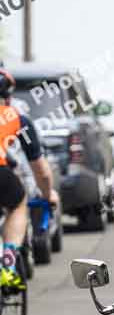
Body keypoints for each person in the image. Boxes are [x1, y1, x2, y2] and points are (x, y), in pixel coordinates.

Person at [0, 68, 59, 288]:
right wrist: (48, 194)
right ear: (8, 95)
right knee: (18, 206)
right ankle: (7, 265)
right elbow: (41, 171)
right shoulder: (16, 118)